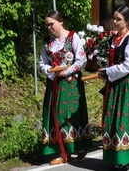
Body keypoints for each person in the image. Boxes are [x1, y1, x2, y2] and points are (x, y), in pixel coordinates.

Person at [98, 5, 129, 170]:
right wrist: (105, 70)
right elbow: (113, 61)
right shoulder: (114, 38)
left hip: (127, 84)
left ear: (127, 21)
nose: (114, 21)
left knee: (123, 120)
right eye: (114, 18)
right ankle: (116, 155)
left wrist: (108, 71)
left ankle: (125, 157)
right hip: (115, 83)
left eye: (118, 19)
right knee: (112, 119)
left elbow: (128, 66)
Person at [38, 10, 92, 165]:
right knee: (54, 114)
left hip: (71, 83)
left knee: (68, 114)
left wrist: (66, 71)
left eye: (51, 24)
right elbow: (42, 63)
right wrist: (51, 73)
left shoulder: (72, 37)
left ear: (61, 21)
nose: (49, 28)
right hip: (54, 83)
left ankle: (77, 145)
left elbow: (81, 59)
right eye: (46, 25)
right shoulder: (48, 42)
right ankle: (62, 151)